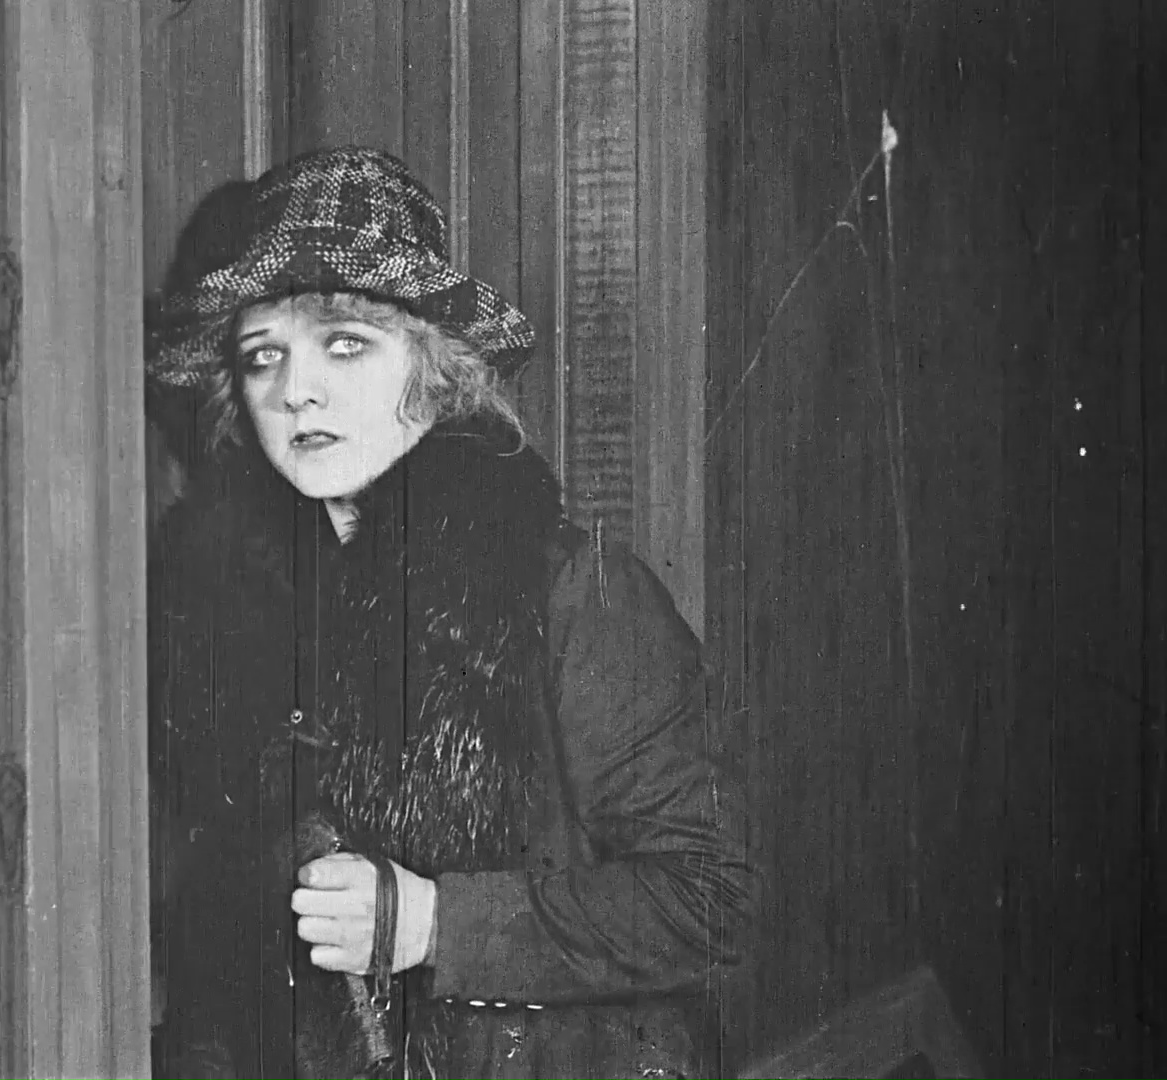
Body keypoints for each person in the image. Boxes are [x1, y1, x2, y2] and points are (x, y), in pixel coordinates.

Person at [146, 146, 755, 1080]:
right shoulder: (239, 620)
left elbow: (712, 899)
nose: (294, 389)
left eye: (345, 343)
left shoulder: (573, 593)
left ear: (435, 372)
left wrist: (434, 923)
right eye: (263, 355)